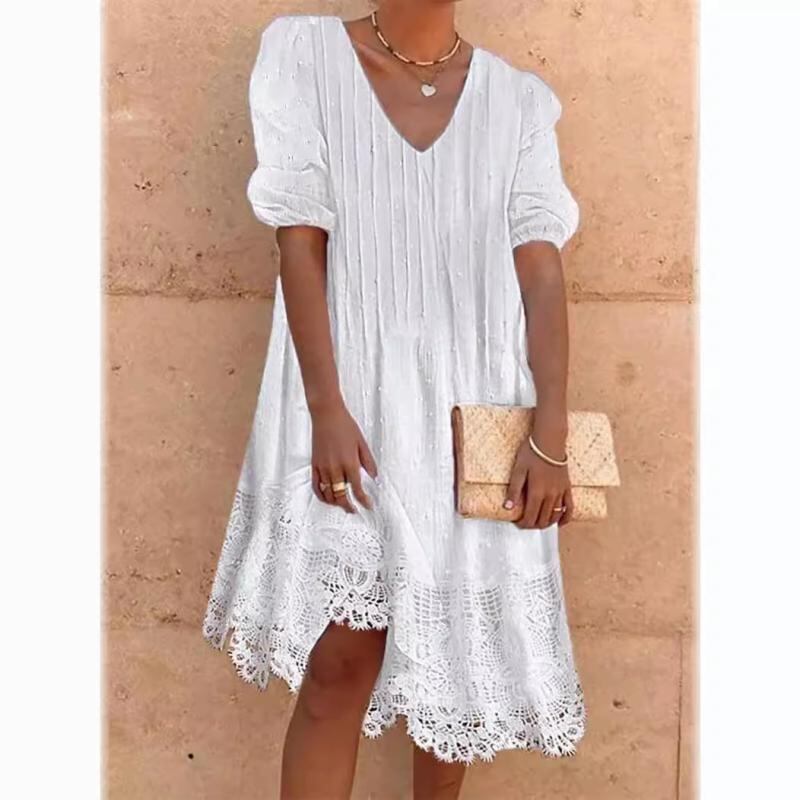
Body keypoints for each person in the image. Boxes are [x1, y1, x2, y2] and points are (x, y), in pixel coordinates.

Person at [203, 2, 584, 797]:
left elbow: (542, 273)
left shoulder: (517, 102)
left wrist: (550, 432)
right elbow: (298, 243)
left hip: (475, 411)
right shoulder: (305, 57)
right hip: (351, 405)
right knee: (338, 663)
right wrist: (325, 408)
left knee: (458, 671)